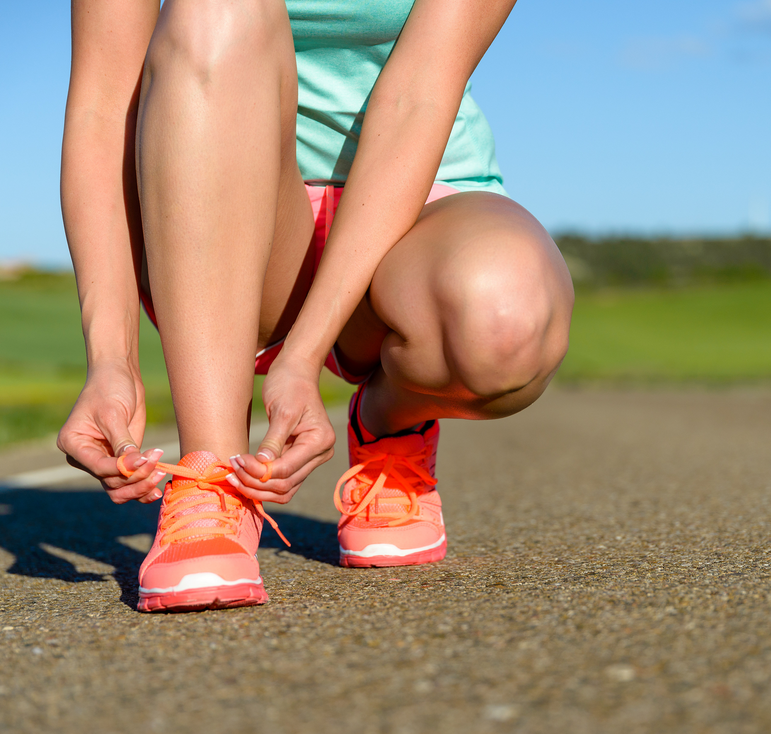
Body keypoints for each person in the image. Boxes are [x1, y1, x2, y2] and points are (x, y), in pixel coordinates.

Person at [58, 0, 573, 613]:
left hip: (413, 210)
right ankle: (214, 481)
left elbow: (417, 96)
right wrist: (110, 357)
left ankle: (389, 420)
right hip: (222, 209)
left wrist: (301, 358)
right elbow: (102, 103)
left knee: (503, 327)